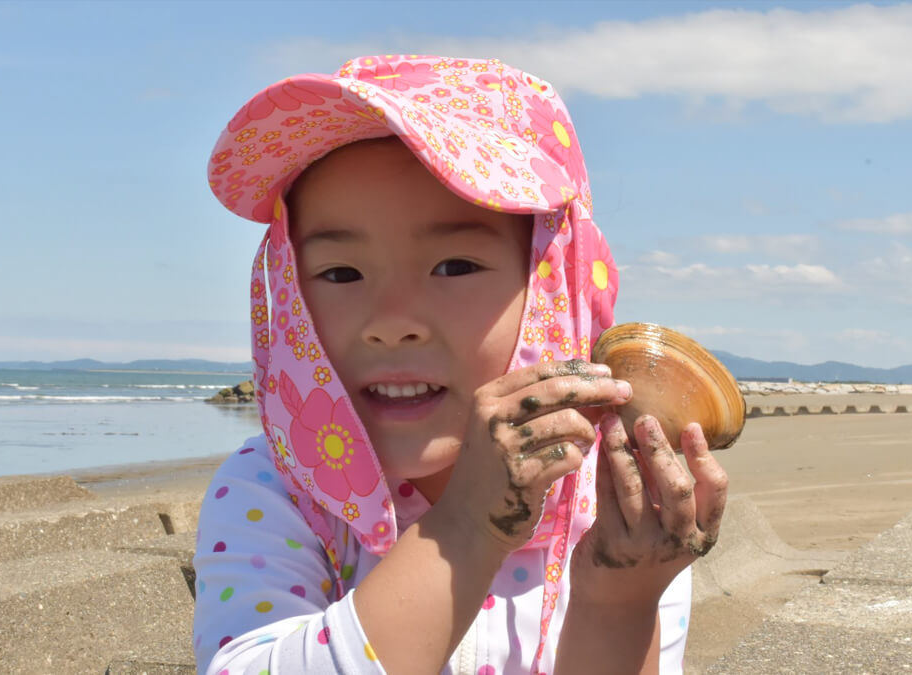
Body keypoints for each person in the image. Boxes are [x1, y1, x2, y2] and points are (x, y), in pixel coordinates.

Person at [193, 55, 729, 675]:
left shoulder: (610, 503)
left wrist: (621, 601)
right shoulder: (277, 488)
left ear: (551, 285)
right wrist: (469, 526)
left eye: (454, 266)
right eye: (341, 272)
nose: (391, 321)